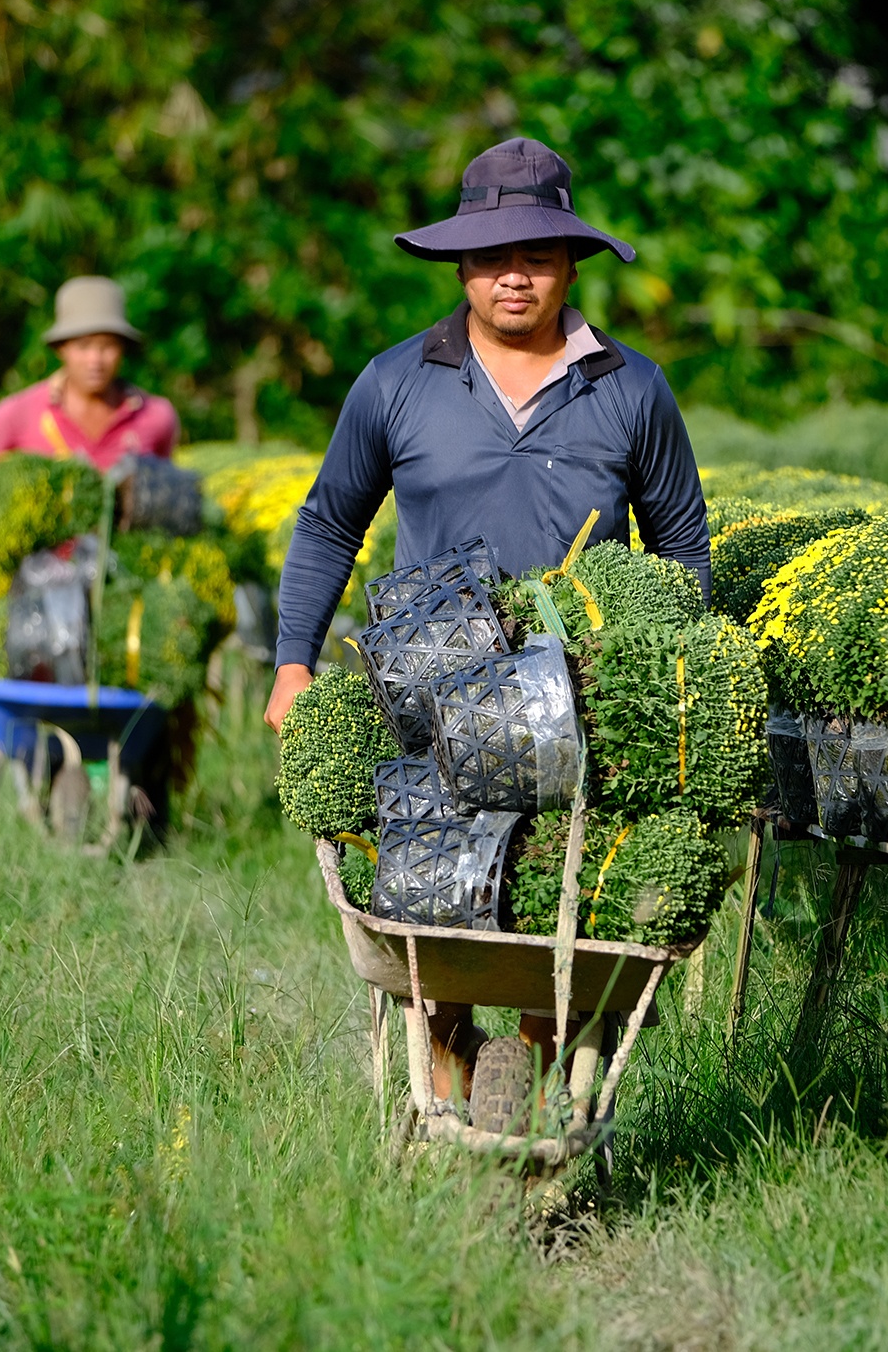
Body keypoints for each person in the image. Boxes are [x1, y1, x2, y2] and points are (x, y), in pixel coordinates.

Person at [266, 138, 710, 1103]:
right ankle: (447, 1071)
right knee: (435, 902)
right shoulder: (396, 382)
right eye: (493, 257)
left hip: (584, 703)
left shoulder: (630, 389)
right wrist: (291, 663)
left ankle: (544, 1086)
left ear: (571, 264)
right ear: (461, 266)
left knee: (560, 905)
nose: (516, 275)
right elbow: (329, 522)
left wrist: (671, 679)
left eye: (539, 255)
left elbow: (682, 548)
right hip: (429, 699)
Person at [0, 275, 179, 588]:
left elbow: (166, 490)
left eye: (107, 347)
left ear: (123, 348)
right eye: (84, 347)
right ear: (61, 348)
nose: (95, 360)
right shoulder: (19, 412)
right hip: (38, 579)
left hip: (124, 574)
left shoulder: (155, 416)